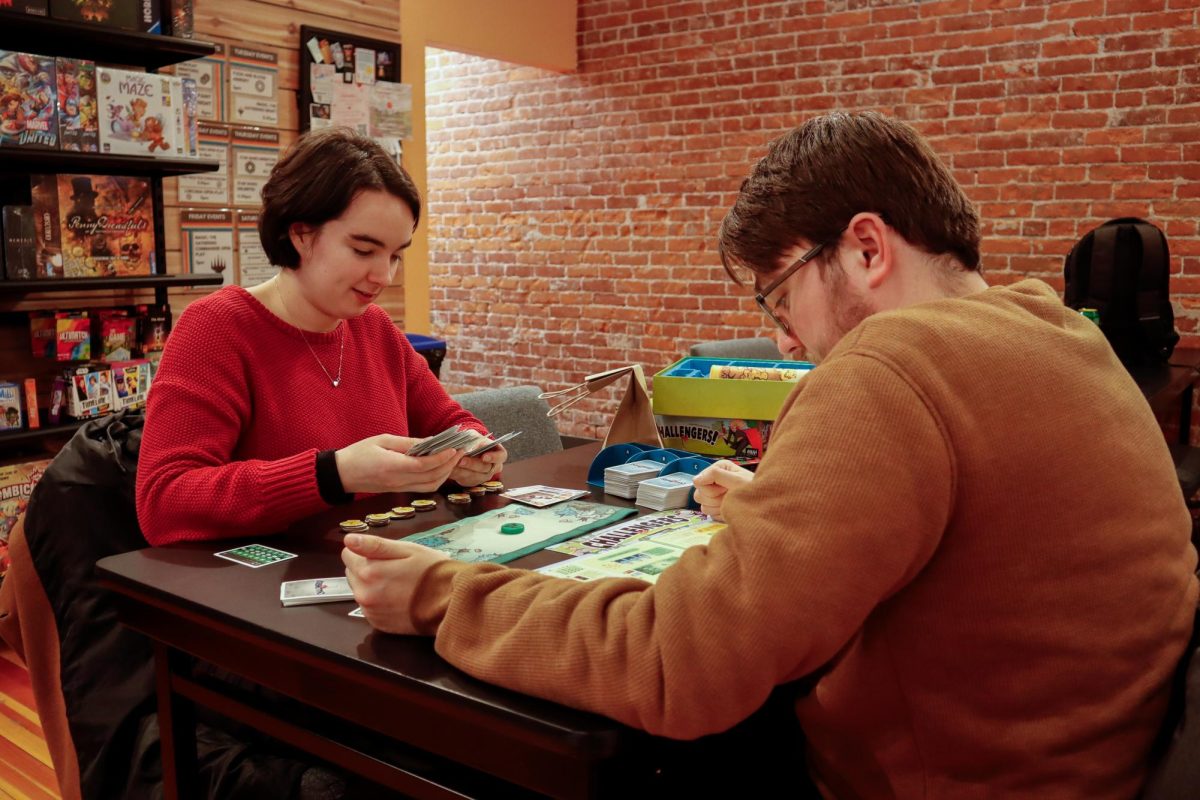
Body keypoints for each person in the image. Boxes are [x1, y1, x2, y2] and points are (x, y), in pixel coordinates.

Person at [341, 112, 1197, 797]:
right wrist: (767, 500)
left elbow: (679, 667)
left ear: (867, 248)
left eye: (783, 298)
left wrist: (446, 593)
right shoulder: (1059, 335)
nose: (787, 343)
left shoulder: (889, 369)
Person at [137, 127, 506, 546]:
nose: (384, 275)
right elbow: (164, 501)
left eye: (396, 255)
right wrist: (333, 474)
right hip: (262, 591)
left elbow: (453, 423)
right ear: (301, 234)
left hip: (378, 572)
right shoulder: (217, 328)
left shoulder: (375, 327)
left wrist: (477, 452)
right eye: (364, 251)